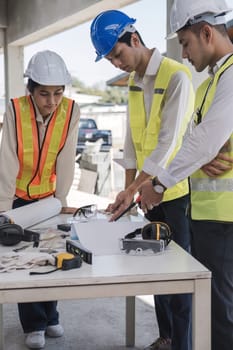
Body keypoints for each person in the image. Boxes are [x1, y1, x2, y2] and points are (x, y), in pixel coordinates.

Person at [90, 10, 195, 350]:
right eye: (109, 59)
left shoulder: (177, 76)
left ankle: (182, 343)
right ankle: (165, 337)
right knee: (155, 270)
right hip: (148, 195)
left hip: (175, 195)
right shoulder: (135, 83)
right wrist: (127, 186)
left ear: (134, 39)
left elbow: (167, 143)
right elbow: (132, 142)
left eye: (117, 54)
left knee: (178, 278)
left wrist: (135, 190)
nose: (115, 64)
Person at [139, 1, 233, 350]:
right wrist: (202, 154)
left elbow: (205, 142)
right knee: (215, 309)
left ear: (206, 32)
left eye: (185, 41)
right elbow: (201, 143)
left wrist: (159, 184)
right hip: (208, 215)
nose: (183, 52)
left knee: (221, 315)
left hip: (225, 219)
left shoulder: (231, 76)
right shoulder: (212, 83)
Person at [0, 50, 80, 349]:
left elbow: (67, 157)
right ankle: (33, 324)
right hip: (19, 199)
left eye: (58, 93)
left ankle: (51, 315)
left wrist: (61, 199)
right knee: (22, 260)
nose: (52, 101)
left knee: (51, 254)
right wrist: (4, 207)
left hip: (49, 197)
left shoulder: (71, 111)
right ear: (30, 90)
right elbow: (7, 156)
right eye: (44, 93)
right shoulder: (15, 109)